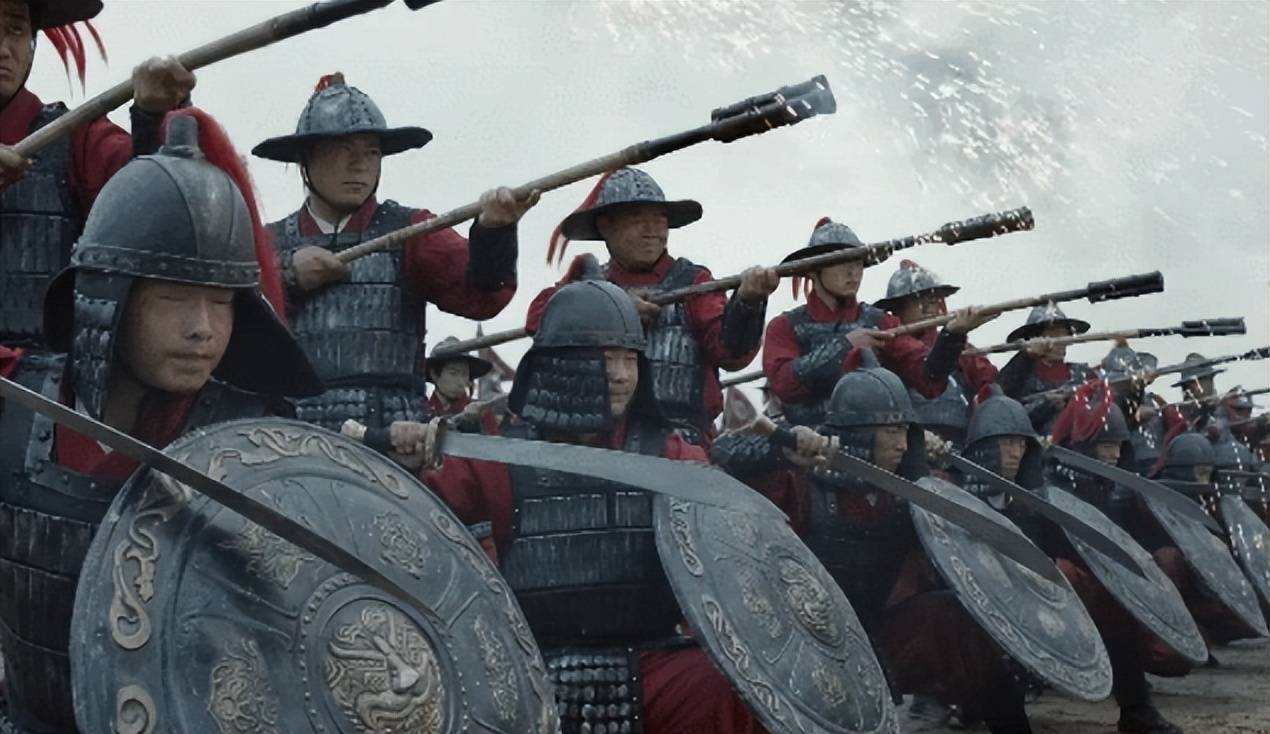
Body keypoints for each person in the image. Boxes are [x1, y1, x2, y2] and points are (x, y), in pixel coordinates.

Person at [0, 111, 320, 732]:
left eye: (222, 302)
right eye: (174, 297)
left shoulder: (260, 449)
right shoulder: (16, 401)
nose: (203, 329)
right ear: (108, 297)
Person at [423, 280, 765, 733]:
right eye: (606, 359)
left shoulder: (672, 456)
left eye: (630, 359)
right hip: (529, 664)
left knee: (733, 689)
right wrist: (412, 458)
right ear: (562, 365)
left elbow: (724, 556)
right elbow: (417, 533)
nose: (622, 375)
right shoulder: (498, 456)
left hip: (653, 662)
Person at [712, 361, 1034, 733]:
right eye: (892, 431)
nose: (901, 444)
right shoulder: (799, 483)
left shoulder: (904, 491)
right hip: (801, 647)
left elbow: (968, 524)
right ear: (860, 432)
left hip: (875, 633)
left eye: (906, 432)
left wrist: (945, 462)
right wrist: (779, 450)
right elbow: (722, 454)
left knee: (954, 617)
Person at [253, 73, 537, 432]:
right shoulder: (266, 243)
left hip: (394, 436)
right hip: (290, 433)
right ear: (305, 159)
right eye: (343, 151)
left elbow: (481, 297)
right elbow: (229, 321)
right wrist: (284, 277)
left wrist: (494, 233)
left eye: (371, 152)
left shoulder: (411, 231)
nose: (360, 165)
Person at [961, 388, 1189, 734]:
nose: (1015, 453)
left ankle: (1136, 709)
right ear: (983, 446)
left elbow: (1065, 552)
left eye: (1020, 444)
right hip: (981, 606)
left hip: (1035, 600)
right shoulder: (954, 496)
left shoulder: (1034, 502)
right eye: (1006, 443)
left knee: (1104, 596)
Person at [525, 167, 779, 444]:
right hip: (596, 438)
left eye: (660, 219)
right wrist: (616, 309)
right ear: (606, 225)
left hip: (681, 438)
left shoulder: (694, 281)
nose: (653, 231)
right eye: (637, 218)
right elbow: (538, 320)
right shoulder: (587, 284)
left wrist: (748, 302)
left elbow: (731, 353)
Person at [0, 0, 196, 346]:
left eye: (15, 30)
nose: (3, 49)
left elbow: (153, 207)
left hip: (42, 373)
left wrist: (154, 119)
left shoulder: (77, 138)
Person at [762, 218, 994, 428]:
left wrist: (952, 335)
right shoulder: (784, 326)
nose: (853, 272)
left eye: (858, 262)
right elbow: (785, 384)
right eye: (840, 262)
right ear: (813, 271)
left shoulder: (882, 322)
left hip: (876, 448)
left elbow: (927, 378)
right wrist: (845, 346)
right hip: (809, 449)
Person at [873, 258, 998, 448]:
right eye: (919, 300)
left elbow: (992, 385)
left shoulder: (961, 348)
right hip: (908, 443)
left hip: (962, 443)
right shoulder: (888, 346)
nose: (929, 308)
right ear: (898, 307)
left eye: (933, 300)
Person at [996, 302, 1097, 434]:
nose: (1059, 341)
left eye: (1063, 334)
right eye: (1052, 334)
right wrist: (1047, 404)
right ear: (1035, 338)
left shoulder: (1084, 375)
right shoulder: (1019, 375)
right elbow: (1003, 404)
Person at [424, 336, 499, 433]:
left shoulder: (482, 413)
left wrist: (474, 424)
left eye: (464, 374)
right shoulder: (421, 411)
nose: (460, 382)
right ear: (434, 374)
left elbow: (493, 441)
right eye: (453, 373)